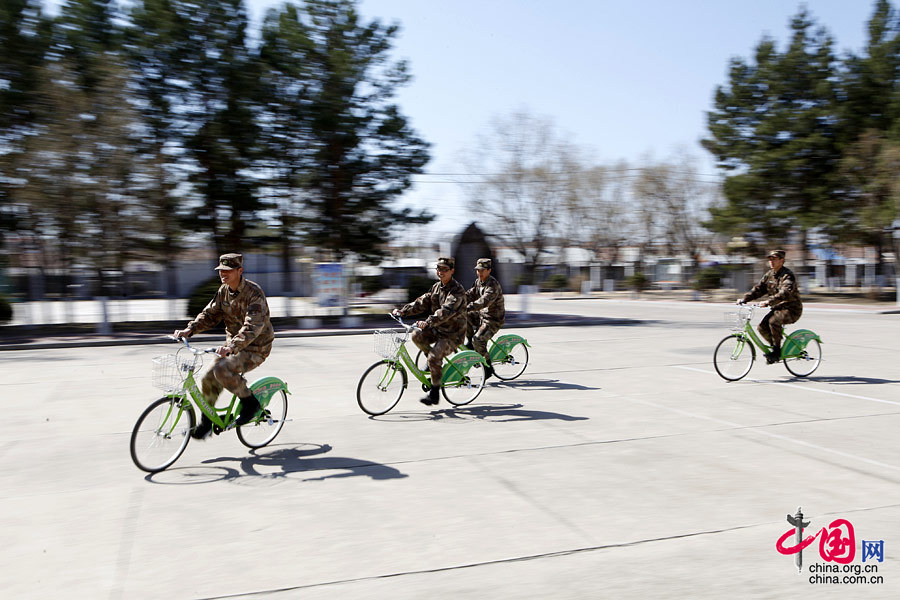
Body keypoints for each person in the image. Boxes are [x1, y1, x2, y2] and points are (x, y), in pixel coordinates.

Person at [173, 253, 275, 439]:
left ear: (240, 271)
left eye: (228, 270)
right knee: (208, 378)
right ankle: (207, 421)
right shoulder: (223, 291)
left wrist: (232, 346)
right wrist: (190, 330)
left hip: (256, 348)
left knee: (222, 370)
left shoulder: (254, 293)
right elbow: (210, 314)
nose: (223, 274)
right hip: (234, 347)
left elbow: (253, 326)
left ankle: (250, 403)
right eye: (221, 270)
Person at [393, 257, 467, 405]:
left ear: (452, 271)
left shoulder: (457, 291)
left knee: (434, 357)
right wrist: (403, 312)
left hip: (453, 334)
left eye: (445, 269)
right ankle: (433, 362)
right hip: (438, 330)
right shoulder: (436, 287)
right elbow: (421, 302)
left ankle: (434, 393)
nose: (441, 272)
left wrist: (427, 322)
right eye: (438, 269)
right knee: (416, 335)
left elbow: (445, 311)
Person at [737, 249, 803, 364]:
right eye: (770, 259)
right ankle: (775, 347)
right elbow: (758, 289)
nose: (771, 261)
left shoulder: (788, 276)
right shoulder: (769, 275)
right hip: (778, 309)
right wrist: (745, 299)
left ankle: (777, 352)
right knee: (761, 327)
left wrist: (768, 302)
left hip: (792, 309)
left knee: (773, 322)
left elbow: (785, 293)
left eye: (774, 259)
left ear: (782, 261)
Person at [465, 258, 505, 379]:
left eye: (482, 270)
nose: (479, 273)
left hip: (493, 319)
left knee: (479, 339)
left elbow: (484, 301)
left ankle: (488, 368)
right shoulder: (478, 282)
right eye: (478, 270)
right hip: (481, 315)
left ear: (489, 270)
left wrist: (468, 307)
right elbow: (469, 294)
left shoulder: (493, 285)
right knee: (462, 318)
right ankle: (471, 343)